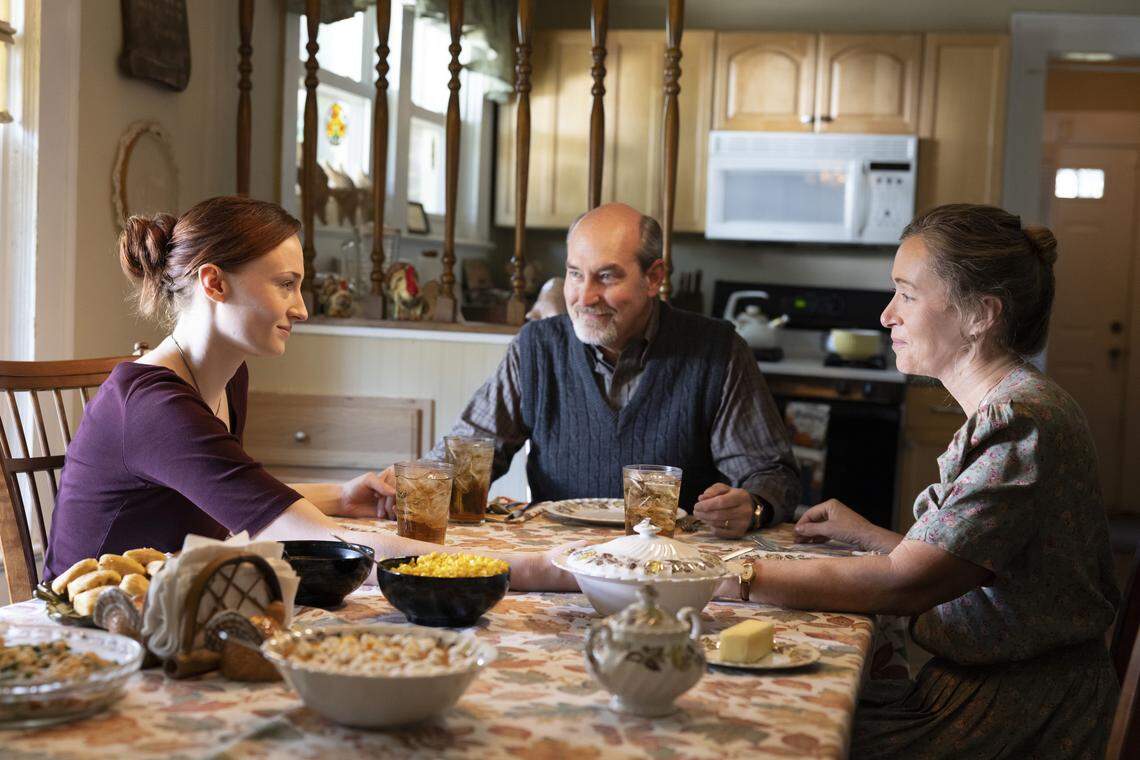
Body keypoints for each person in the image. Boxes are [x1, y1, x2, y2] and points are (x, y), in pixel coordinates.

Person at [720, 204, 1119, 758]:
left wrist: (733, 575)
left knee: (764, 731)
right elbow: (964, 565)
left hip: (1015, 713)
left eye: (907, 295)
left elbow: (906, 586)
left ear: (981, 314)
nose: (886, 316)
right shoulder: (1016, 406)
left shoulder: (1019, 422)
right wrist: (867, 535)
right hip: (992, 689)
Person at [43, 196, 572, 591]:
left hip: (175, 608)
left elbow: (236, 497)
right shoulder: (154, 405)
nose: (301, 308)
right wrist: (540, 569)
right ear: (214, 283)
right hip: (92, 634)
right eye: (285, 284)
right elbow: (316, 537)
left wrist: (343, 496)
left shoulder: (227, 375)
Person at [379, 202, 800, 537]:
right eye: (575, 274)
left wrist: (754, 506)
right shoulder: (537, 348)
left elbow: (771, 474)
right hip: (556, 567)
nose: (584, 296)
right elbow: (464, 454)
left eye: (606, 277)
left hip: (671, 568)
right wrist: (411, 487)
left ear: (653, 278)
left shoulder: (716, 350)